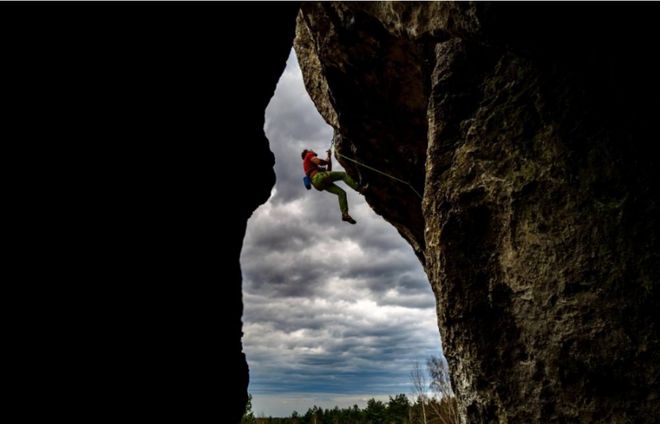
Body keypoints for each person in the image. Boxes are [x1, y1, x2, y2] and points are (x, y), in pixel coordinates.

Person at [301, 148, 360, 224]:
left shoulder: (311, 167)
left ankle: (345, 214)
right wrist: (326, 160)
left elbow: (329, 171)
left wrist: (329, 157)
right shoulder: (308, 155)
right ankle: (358, 188)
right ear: (308, 151)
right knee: (343, 175)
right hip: (319, 177)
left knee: (341, 193)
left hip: (318, 183)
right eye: (311, 150)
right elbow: (318, 161)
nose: (313, 151)